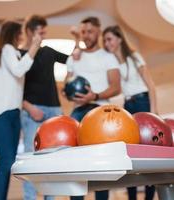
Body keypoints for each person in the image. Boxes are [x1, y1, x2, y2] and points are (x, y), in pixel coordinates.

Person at [66, 17, 121, 200]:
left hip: (100, 110)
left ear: (98, 31)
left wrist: (94, 96)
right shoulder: (74, 57)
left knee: (101, 163)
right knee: (74, 161)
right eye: (83, 32)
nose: (86, 35)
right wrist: (69, 93)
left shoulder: (108, 57)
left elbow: (116, 86)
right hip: (78, 110)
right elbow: (67, 85)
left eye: (90, 31)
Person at [103, 25, 157, 200]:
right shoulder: (111, 63)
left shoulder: (135, 57)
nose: (106, 43)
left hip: (142, 100)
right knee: (130, 154)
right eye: (105, 40)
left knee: (149, 153)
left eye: (109, 38)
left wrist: (154, 112)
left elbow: (151, 85)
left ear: (119, 38)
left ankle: (149, 197)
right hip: (127, 105)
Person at [0, 20, 41, 200]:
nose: (22, 35)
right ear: (14, 34)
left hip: (12, 114)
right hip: (3, 115)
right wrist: (34, 47)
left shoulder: (14, 52)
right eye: (20, 32)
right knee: (6, 163)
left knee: (8, 164)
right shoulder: (7, 50)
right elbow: (19, 70)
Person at [19, 15, 70, 200]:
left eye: (44, 32)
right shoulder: (19, 55)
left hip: (55, 110)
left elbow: (73, 61)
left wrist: (79, 40)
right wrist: (29, 108)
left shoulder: (48, 51)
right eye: (40, 32)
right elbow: (14, 88)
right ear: (30, 31)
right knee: (30, 158)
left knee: (54, 160)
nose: (43, 35)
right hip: (31, 110)